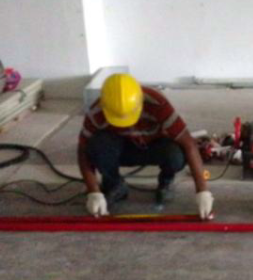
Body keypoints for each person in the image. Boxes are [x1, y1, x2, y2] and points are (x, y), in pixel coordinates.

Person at [78, 73, 214, 219]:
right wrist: (93, 191)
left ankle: (166, 181)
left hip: (153, 147)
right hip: (121, 150)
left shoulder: (157, 103)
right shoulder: (97, 111)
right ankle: (114, 184)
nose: (127, 123)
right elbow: (83, 150)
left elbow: (189, 144)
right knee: (97, 145)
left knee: (176, 155)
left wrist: (202, 191)